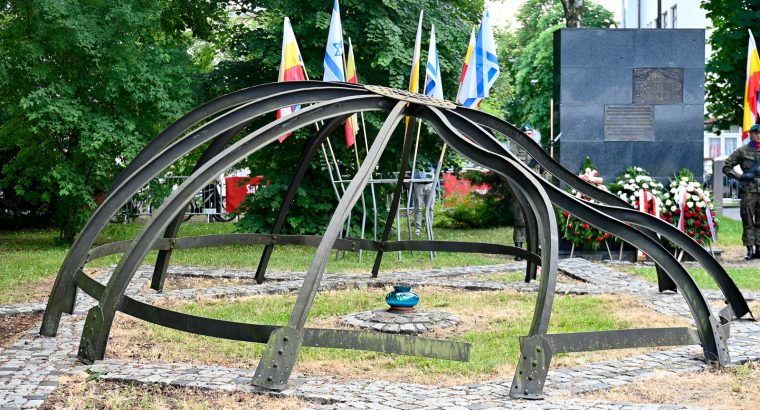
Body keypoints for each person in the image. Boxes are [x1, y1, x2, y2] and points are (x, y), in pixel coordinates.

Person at [722, 123, 760, 260]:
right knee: (748, 221)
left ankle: (759, 248)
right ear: (751, 134)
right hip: (748, 191)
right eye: (756, 133)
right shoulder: (742, 151)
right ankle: (750, 249)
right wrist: (742, 176)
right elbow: (727, 167)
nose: (759, 136)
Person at [412, 169, 435, 235]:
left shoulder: (432, 158)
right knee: (418, 207)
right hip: (418, 183)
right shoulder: (415, 159)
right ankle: (418, 228)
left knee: (430, 208)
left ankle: (429, 227)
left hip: (430, 183)